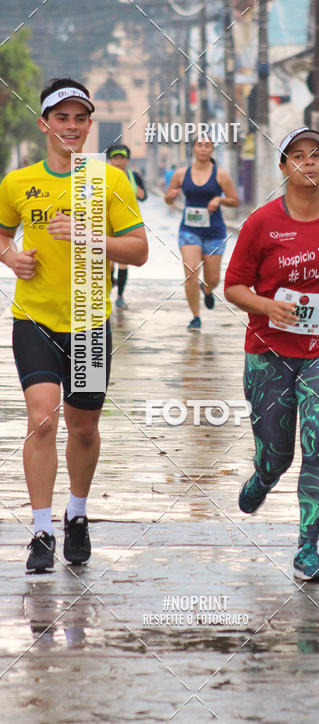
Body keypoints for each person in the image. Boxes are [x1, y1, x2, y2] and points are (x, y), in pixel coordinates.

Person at [0, 77, 148, 573]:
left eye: (79, 118)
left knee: (83, 429)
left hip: (88, 320)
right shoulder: (17, 183)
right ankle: (41, 529)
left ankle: (77, 515)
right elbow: (1, 238)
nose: (70, 125)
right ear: (45, 123)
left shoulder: (109, 180)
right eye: (61, 117)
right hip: (34, 318)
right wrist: (12, 257)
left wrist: (90, 237)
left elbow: (141, 251)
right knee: (42, 420)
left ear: (89, 126)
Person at [224, 127, 319, 581]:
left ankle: (308, 548)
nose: (309, 163)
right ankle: (263, 476)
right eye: (298, 156)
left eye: (316, 155)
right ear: (283, 167)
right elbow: (233, 287)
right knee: (278, 452)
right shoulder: (261, 224)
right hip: (268, 351)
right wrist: (268, 307)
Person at [164, 137, 238, 330]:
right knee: (191, 272)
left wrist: (219, 200)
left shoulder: (221, 175)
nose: (204, 149)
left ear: (212, 150)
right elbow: (169, 199)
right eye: (200, 145)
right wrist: (170, 197)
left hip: (215, 231)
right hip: (189, 230)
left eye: (208, 145)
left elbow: (234, 200)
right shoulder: (181, 174)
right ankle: (195, 317)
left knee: (213, 279)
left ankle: (206, 290)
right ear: (194, 149)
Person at [107, 143, 147, 309]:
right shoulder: (103, 176)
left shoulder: (134, 176)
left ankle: (120, 296)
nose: (118, 161)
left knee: (123, 262)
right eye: (115, 158)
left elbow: (144, 196)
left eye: (122, 158)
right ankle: (107, 292)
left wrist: (141, 194)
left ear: (127, 160)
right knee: (109, 263)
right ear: (109, 160)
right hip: (107, 224)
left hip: (127, 224)